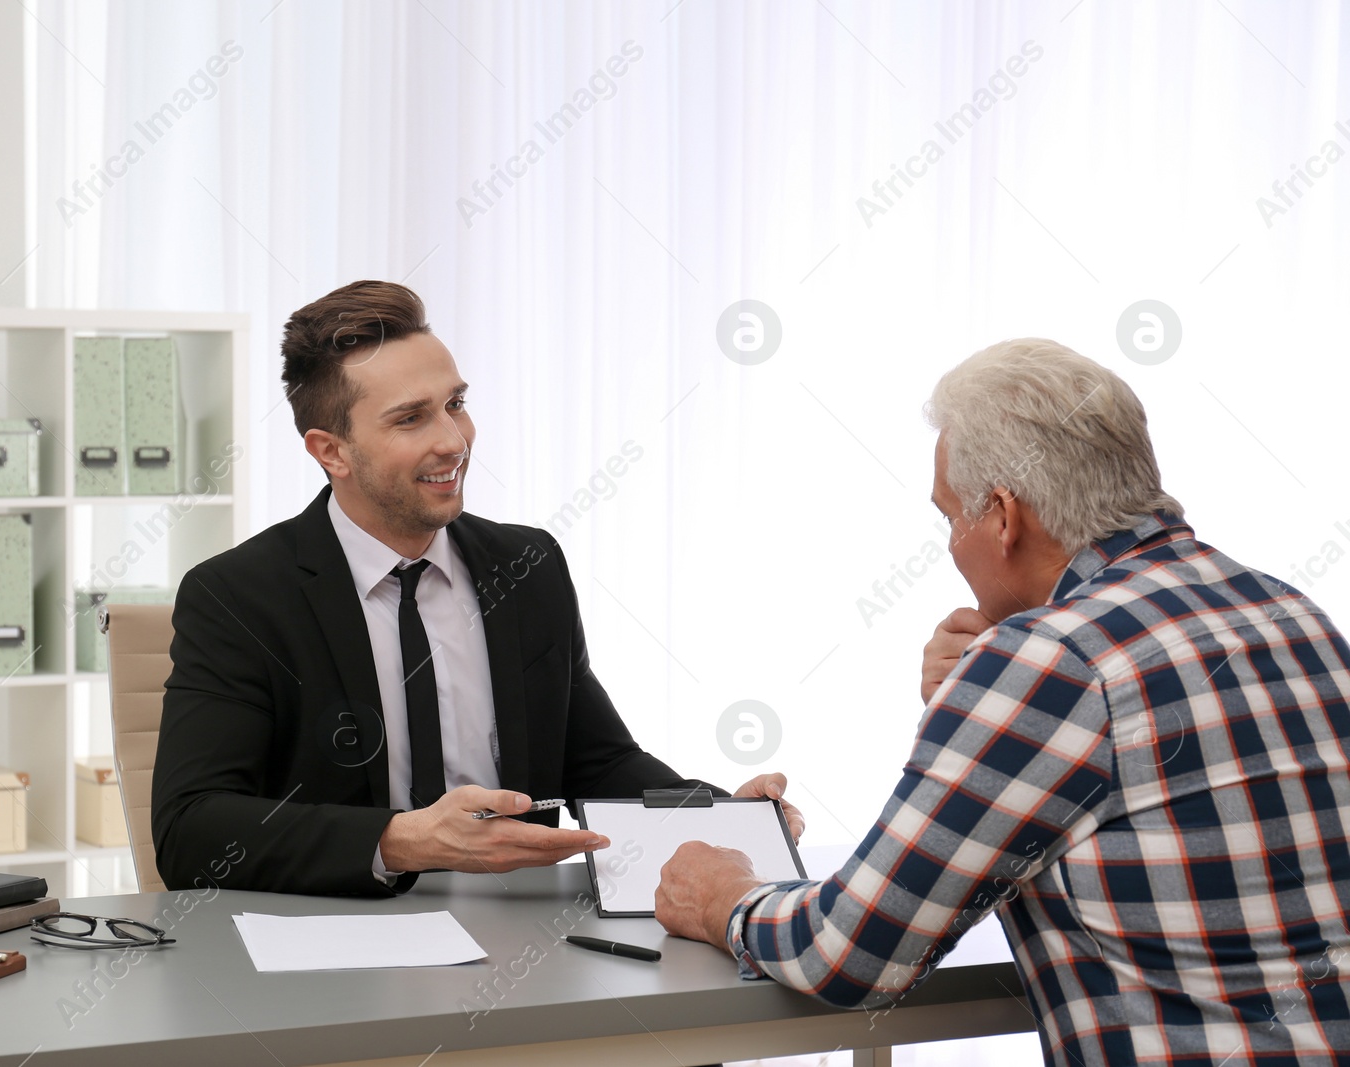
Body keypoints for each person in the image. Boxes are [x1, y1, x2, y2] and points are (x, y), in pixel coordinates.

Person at [656, 339, 1350, 1065]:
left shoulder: (1051, 660)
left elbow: (852, 952)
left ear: (1004, 516)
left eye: (950, 516)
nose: (952, 544)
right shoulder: (1288, 610)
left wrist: (725, 896)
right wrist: (982, 702)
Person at [152, 280, 802, 897]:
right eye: (411, 419)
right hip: (334, 943)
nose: (453, 441)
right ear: (332, 451)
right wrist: (405, 840)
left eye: (455, 404)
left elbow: (597, 761)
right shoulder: (237, 597)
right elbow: (191, 829)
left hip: (522, 935)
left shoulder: (527, 564)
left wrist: (722, 819)